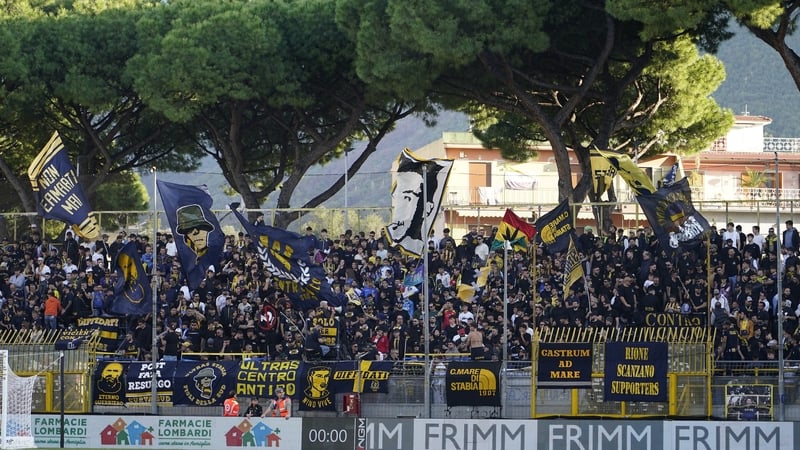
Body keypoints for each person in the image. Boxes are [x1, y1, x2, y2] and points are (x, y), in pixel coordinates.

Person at [386, 154, 448, 256]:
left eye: (411, 198)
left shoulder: (423, 242)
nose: (408, 206)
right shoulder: (397, 237)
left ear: (428, 208)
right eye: (405, 198)